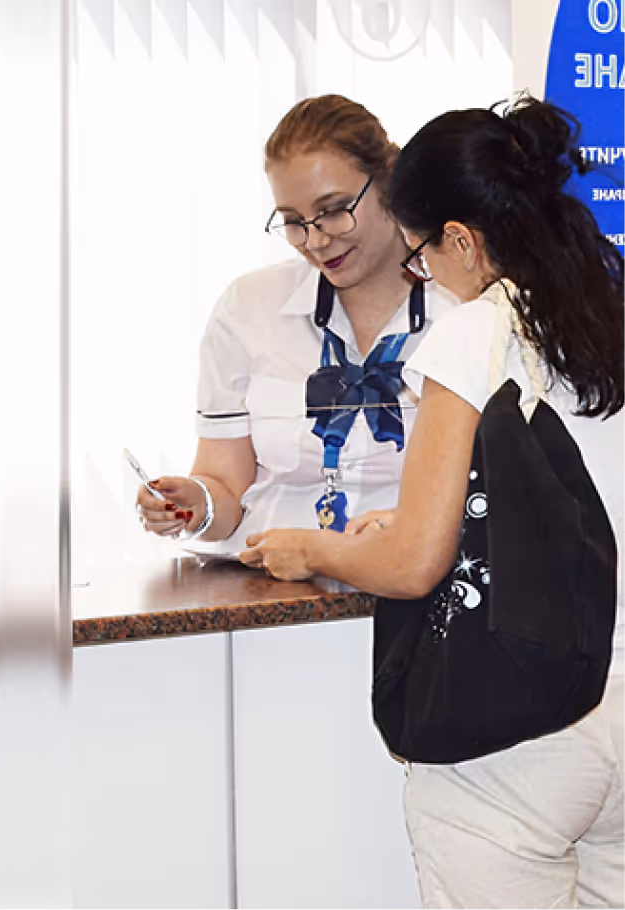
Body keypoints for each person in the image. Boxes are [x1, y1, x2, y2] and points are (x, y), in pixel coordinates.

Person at [241, 95, 625, 907]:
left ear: (459, 238)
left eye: (418, 255)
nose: (420, 275)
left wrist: (308, 548)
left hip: (522, 739)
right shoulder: (602, 312)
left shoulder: (469, 332)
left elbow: (412, 563)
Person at [136, 95, 455, 555]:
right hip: (277, 598)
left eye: (334, 209)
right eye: (293, 221)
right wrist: (195, 504)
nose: (316, 239)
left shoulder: (462, 306)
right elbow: (225, 488)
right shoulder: (248, 308)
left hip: (419, 594)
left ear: (388, 176)